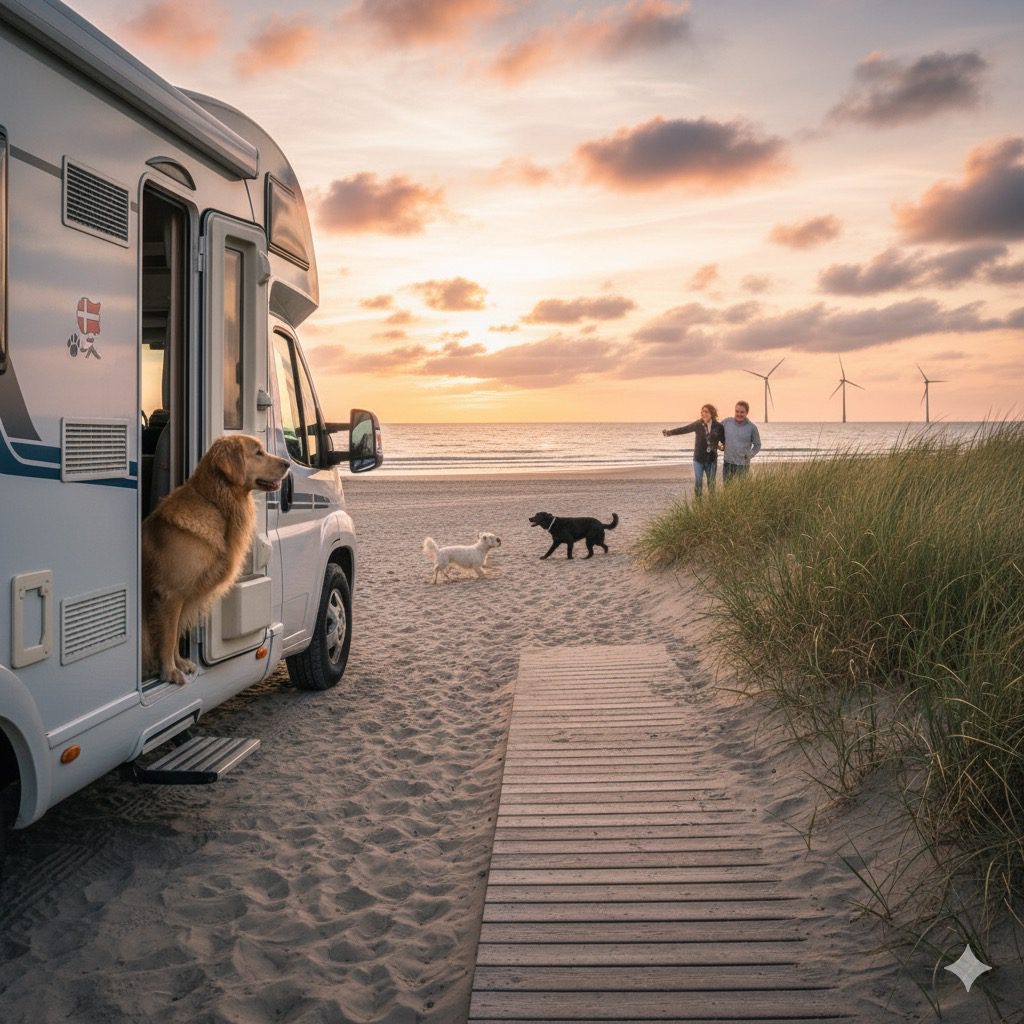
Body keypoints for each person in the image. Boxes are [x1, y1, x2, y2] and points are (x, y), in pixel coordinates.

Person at [661, 403, 725, 497]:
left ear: (712, 413)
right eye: (702, 412)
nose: (703, 414)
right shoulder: (698, 424)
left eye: (706, 412)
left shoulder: (719, 426)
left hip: (711, 460)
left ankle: (712, 505)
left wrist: (722, 447)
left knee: (711, 484)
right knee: (698, 484)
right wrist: (670, 433)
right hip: (698, 459)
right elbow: (684, 429)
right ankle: (698, 505)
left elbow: (723, 441)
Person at [722, 400, 761, 481]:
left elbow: (757, 445)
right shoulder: (727, 422)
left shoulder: (752, 427)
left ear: (747, 413)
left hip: (743, 465)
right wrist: (719, 445)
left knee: (742, 490)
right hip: (728, 463)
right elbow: (715, 431)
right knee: (727, 490)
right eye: (737, 411)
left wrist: (750, 455)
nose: (739, 414)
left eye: (742, 412)